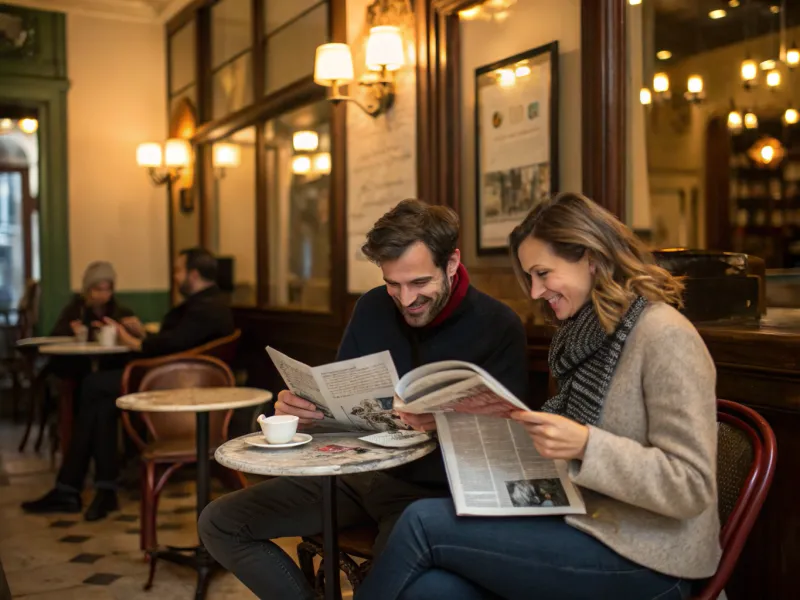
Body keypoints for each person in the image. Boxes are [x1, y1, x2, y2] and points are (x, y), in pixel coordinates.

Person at [355, 192, 721, 600]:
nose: (534, 292)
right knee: (431, 591)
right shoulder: (582, 333)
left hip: (649, 557)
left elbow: (693, 486)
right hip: (580, 522)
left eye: (543, 273)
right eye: (530, 277)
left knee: (420, 521)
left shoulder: (664, 334)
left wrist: (585, 445)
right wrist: (452, 416)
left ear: (591, 257)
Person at [198, 199, 530, 599]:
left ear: (452, 262)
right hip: (355, 475)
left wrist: (445, 420)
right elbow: (343, 407)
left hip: (429, 494)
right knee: (220, 522)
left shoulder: (497, 326)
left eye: (420, 283)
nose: (406, 299)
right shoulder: (372, 307)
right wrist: (306, 413)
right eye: (394, 284)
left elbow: (508, 444)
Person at [22, 248, 235, 521]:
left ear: (193, 275)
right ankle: (95, 490)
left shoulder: (206, 308)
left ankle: (75, 488)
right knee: (100, 399)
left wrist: (135, 343)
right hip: (170, 374)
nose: (175, 275)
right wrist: (142, 335)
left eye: (178, 270)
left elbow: (175, 346)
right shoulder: (207, 304)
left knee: (94, 388)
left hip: (176, 383)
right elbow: (178, 343)